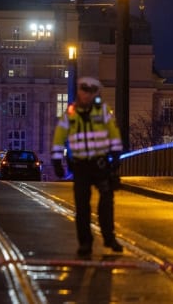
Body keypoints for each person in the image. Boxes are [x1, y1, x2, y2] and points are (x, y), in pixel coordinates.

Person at [51, 76, 124, 256]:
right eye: (84, 91)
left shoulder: (103, 111)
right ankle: (85, 243)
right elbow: (59, 138)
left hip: (99, 164)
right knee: (82, 206)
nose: (86, 95)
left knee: (106, 201)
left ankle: (109, 237)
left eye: (91, 92)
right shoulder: (70, 113)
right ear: (79, 91)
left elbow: (114, 134)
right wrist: (56, 160)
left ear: (95, 93)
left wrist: (116, 156)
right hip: (80, 165)